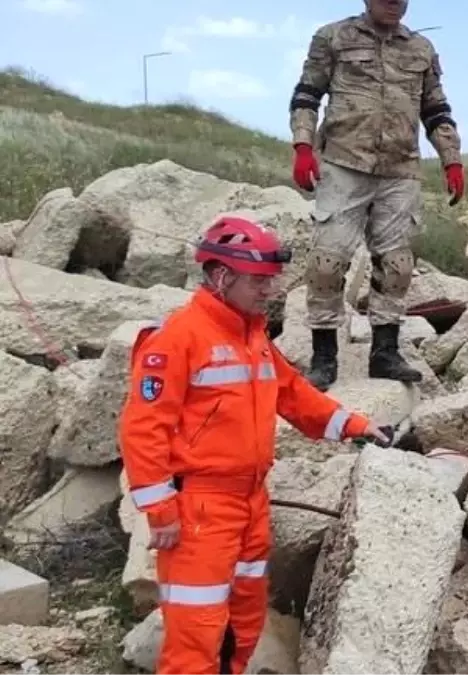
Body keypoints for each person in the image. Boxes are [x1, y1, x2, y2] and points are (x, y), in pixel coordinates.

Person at [117, 217, 390, 674]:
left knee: (242, 626)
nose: (271, 290)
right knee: (196, 637)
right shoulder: (177, 339)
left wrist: (355, 425)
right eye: (259, 281)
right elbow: (143, 428)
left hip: (251, 502)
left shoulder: (252, 337)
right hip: (199, 512)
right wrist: (160, 509)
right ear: (223, 277)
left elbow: (294, 395)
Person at [288, 0, 466, 392]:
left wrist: (451, 159)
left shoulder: (421, 50)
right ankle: (324, 357)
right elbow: (306, 95)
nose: (394, 3)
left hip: (400, 170)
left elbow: (435, 109)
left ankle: (385, 352)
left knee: (398, 265)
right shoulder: (332, 37)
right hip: (343, 163)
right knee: (327, 262)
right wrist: (303, 146)